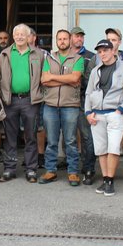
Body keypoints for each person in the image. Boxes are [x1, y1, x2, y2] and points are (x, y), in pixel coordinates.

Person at [0, 23, 44, 183]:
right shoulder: (5, 54)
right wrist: (0, 97)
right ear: (13, 36)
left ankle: (31, 169)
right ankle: (9, 169)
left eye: (23, 34)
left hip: (31, 100)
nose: (20, 37)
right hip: (10, 100)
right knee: (10, 136)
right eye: (17, 34)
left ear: (29, 36)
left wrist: (40, 94)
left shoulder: (38, 54)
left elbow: (44, 76)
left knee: (31, 136)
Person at [83, 39, 123, 196]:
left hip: (114, 113)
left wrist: (121, 109)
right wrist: (88, 112)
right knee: (101, 150)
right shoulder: (96, 70)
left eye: (105, 50)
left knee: (113, 148)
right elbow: (88, 93)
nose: (102, 54)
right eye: (100, 51)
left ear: (113, 51)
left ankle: (110, 181)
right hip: (97, 114)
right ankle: (105, 179)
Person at [39, 29, 84, 185]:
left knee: (70, 141)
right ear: (56, 41)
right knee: (51, 141)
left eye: (65, 38)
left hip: (70, 105)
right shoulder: (49, 58)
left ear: (70, 40)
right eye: (60, 39)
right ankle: (50, 171)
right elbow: (44, 80)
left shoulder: (78, 58)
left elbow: (75, 78)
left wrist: (53, 77)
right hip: (50, 105)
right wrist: (67, 80)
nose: (62, 41)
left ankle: (73, 172)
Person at [70, 26, 97, 184]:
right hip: (67, 99)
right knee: (69, 136)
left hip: (83, 100)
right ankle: (71, 166)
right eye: (76, 36)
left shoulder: (91, 57)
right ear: (71, 38)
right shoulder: (64, 55)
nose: (79, 38)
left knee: (87, 136)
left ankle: (88, 168)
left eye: (81, 36)